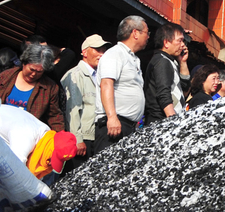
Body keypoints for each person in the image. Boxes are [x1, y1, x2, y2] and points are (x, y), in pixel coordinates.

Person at [93, 16, 149, 153]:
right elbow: (106, 84)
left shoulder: (133, 58)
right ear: (135, 33)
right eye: (147, 33)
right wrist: (112, 117)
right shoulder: (115, 53)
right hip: (114, 125)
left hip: (128, 126)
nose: (148, 37)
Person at [0, 44, 65, 131]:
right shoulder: (5, 77)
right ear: (24, 63)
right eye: (32, 69)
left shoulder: (49, 88)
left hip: (27, 133)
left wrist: (60, 136)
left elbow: (54, 116)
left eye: (39, 72)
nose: (33, 74)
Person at [60, 34, 107, 159]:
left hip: (95, 137)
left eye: (103, 50)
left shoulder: (100, 76)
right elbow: (72, 109)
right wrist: (77, 138)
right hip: (82, 140)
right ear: (85, 52)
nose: (101, 54)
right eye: (97, 50)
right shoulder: (75, 75)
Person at [144, 23, 191, 123]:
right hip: (161, 122)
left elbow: (185, 90)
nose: (183, 45)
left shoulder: (170, 61)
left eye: (183, 41)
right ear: (166, 43)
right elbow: (163, 93)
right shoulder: (162, 61)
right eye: (179, 40)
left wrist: (183, 62)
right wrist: (172, 120)